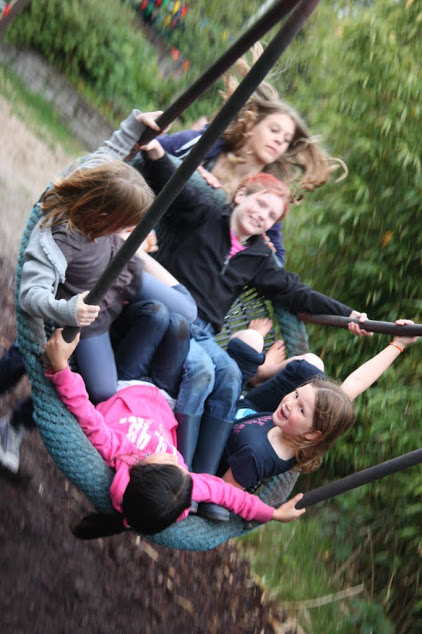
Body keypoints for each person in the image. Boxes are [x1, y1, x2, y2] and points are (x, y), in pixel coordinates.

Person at [134, 132, 369, 521]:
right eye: (259, 203)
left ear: (269, 227)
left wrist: (349, 316)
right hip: (170, 308)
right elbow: (173, 185)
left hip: (205, 331)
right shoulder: (208, 213)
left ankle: (204, 481)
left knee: (226, 372)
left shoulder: (258, 257)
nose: (261, 215)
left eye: (270, 216)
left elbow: (298, 294)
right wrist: (157, 150)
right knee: (205, 370)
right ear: (241, 195)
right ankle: (180, 469)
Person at [43, 328, 306, 537]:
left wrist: (60, 367)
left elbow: (83, 411)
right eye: (179, 465)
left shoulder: (118, 449)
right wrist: (270, 513)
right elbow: (229, 495)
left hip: (126, 384)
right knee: (197, 350)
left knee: (162, 320)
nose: (177, 459)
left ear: (141, 468)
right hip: (165, 396)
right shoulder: (183, 488)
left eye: (170, 462)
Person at [18, 111, 196, 405]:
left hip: (123, 271)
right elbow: (30, 295)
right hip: (90, 310)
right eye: (126, 225)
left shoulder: (100, 174)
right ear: (103, 216)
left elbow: (112, 149)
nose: (129, 230)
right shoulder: (57, 239)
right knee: (103, 391)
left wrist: (138, 123)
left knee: (188, 312)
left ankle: (132, 322)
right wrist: (69, 310)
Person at [155, 42, 346, 266]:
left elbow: (277, 259)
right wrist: (189, 169)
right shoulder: (206, 145)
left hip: (188, 264)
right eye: (274, 130)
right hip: (152, 229)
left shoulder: (268, 193)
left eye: (285, 140)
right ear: (252, 125)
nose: (278, 140)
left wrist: (263, 246)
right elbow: (151, 148)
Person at [217, 319, 419, 491]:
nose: (289, 403)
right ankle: (261, 372)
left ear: (313, 433)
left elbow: (221, 493)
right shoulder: (298, 431)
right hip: (247, 413)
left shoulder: (256, 455)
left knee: (247, 343)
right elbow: (355, 384)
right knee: (310, 366)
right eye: (295, 395)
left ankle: (252, 366)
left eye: (301, 409)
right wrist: (398, 344)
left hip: (216, 421)